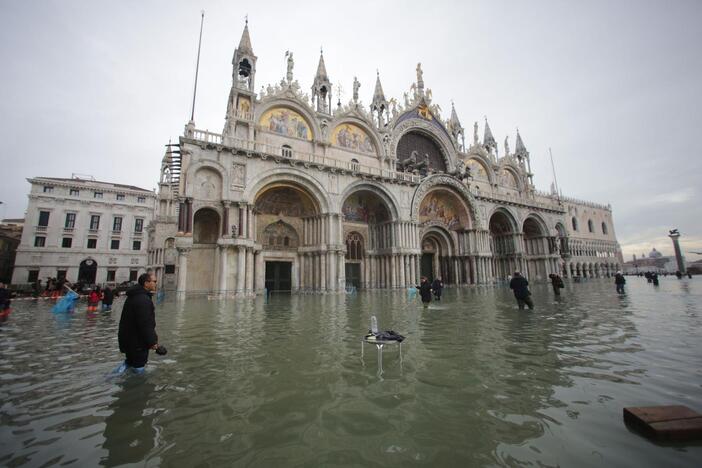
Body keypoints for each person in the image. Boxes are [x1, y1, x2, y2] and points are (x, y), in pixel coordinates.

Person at [118, 273, 160, 370]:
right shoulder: (143, 300)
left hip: (129, 340)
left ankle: (110, 377)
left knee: (129, 363)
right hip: (138, 343)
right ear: (146, 283)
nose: (156, 284)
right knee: (139, 369)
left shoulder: (134, 296)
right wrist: (152, 342)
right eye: (154, 281)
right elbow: (146, 324)